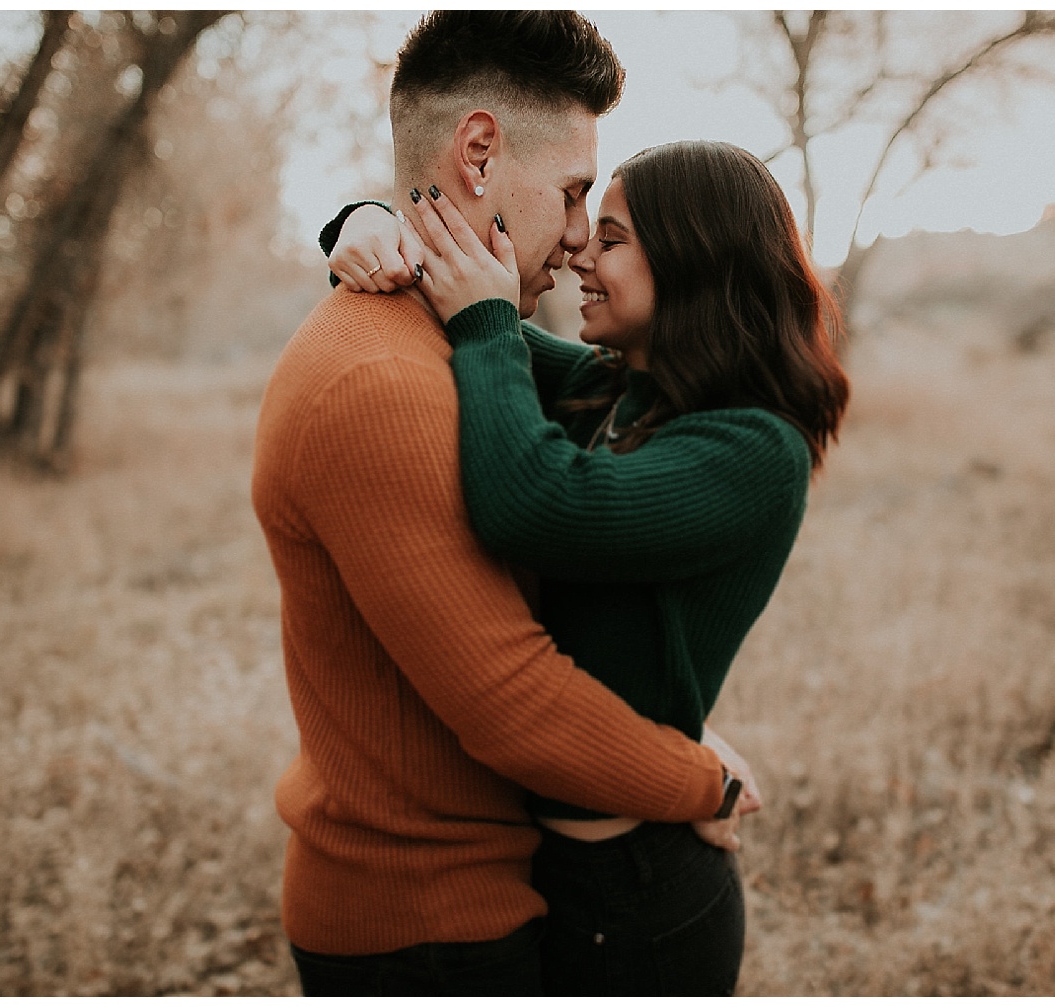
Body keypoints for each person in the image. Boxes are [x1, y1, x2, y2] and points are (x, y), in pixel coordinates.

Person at [252, 13, 753, 997]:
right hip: (425, 930)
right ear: (478, 151)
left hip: (488, 894)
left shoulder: (453, 345)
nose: (577, 235)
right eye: (573, 193)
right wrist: (706, 779)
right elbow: (511, 700)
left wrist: (363, 216)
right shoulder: (381, 384)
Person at [324, 138, 850, 994]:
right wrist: (364, 223)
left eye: (611, 238)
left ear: (693, 256)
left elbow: (533, 504)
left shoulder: (755, 448)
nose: (579, 256)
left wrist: (492, 322)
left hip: (643, 894)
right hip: (552, 872)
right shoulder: (616, 388)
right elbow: (448, 300)